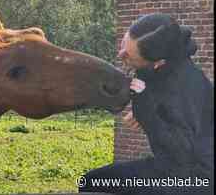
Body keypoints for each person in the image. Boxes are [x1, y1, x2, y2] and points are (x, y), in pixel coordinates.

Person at [78, 13, 214, 195]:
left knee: (97, 184)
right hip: (173, 163)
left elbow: (181, 154)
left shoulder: (185, 87)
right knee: (90, 182)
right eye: (123, 45)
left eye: (128, 57)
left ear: (157, 63)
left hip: (196, 177)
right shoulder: (164, 55)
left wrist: (147, 114)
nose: (120, 55)